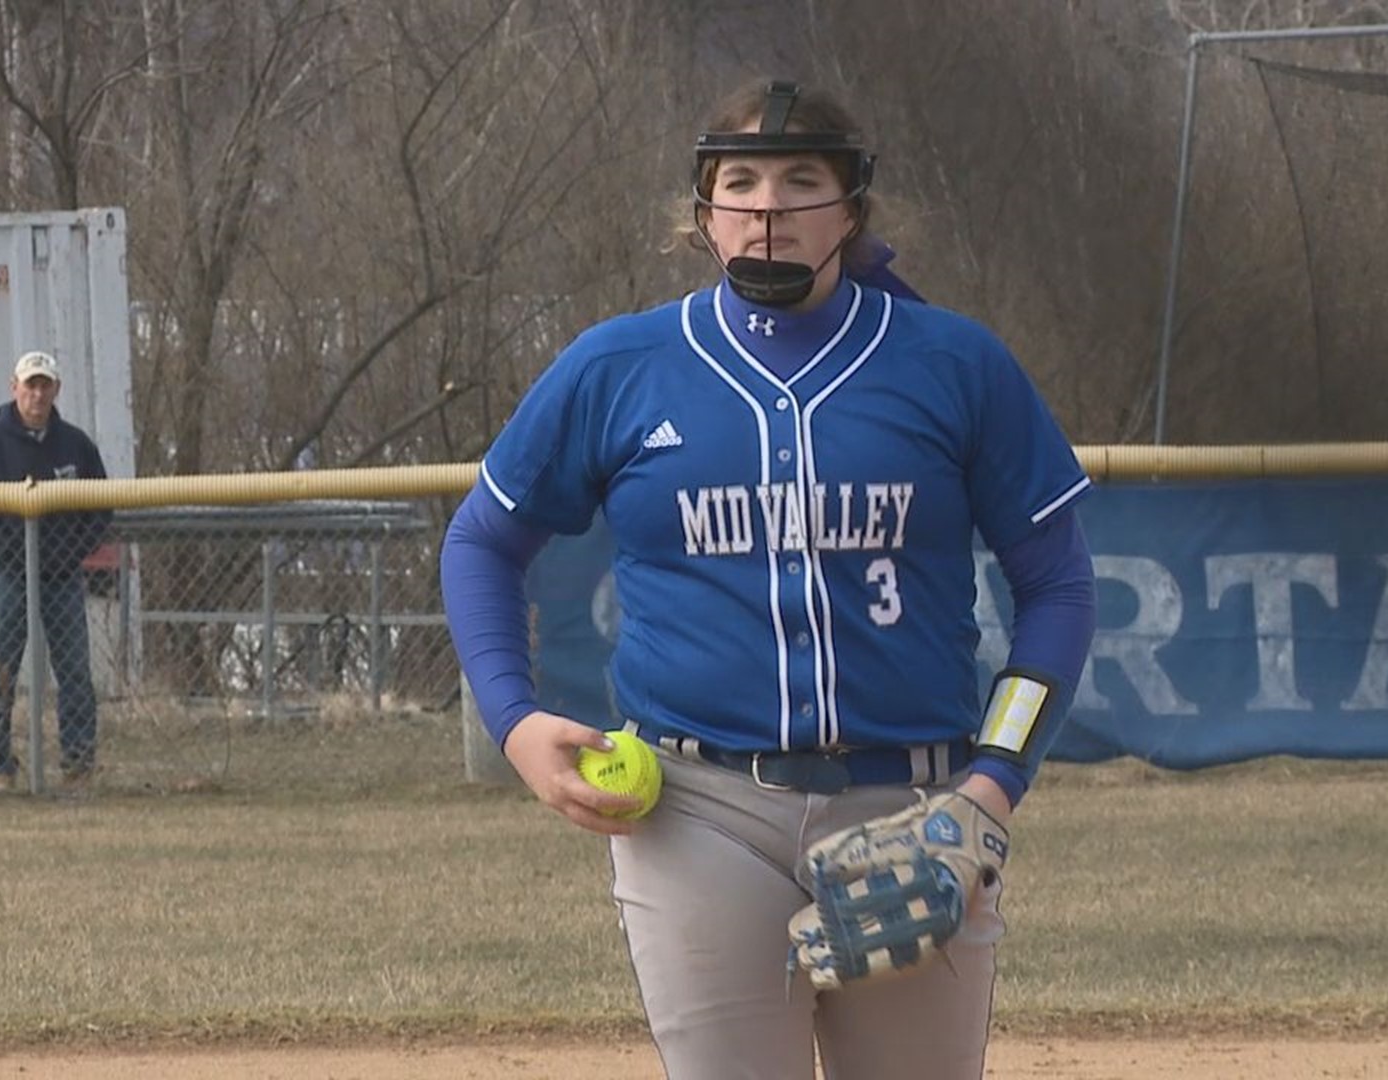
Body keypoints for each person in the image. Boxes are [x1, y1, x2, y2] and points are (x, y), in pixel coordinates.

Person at [440, 80, 1097, 1078]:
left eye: (802, 178)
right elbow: (483, 541)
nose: (768, 205)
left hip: (917, 806)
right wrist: (515, 719)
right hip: (698, 811)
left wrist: (992, 788)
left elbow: (1057, 587)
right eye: (738, 180)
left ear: (853, 207)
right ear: (704, 213)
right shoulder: (622, 365)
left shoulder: (954, 364)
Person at [0, 351, 111, 792]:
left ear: (56, 390)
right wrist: (8, 551)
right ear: (14, 388)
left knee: (75, 672)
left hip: (62, 576)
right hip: (8, 575)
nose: (37, 393)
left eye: (45, 385)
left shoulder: (77, 445)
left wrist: (72, 551)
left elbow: (101, 508)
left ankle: (78, 765)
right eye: (30, 385)